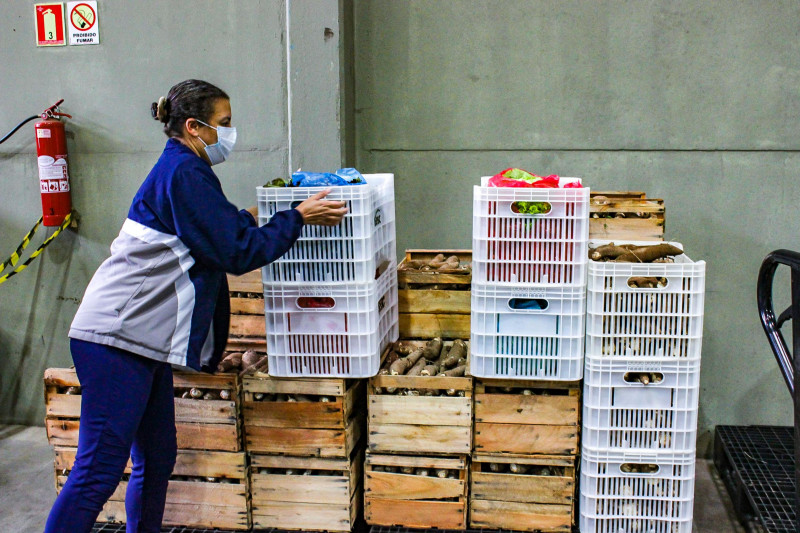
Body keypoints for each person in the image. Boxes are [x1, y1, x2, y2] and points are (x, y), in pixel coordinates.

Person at [44, 79, 347, 533]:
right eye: (224, 124)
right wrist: (296, 218)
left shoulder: (188, 169)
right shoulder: (184, 172)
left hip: (142, 341)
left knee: (158, 454)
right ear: (193, 126)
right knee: (98, 471)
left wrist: (248, 217)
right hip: (116, 338)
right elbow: (236, 253)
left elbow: (210, 231)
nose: (230, 132)